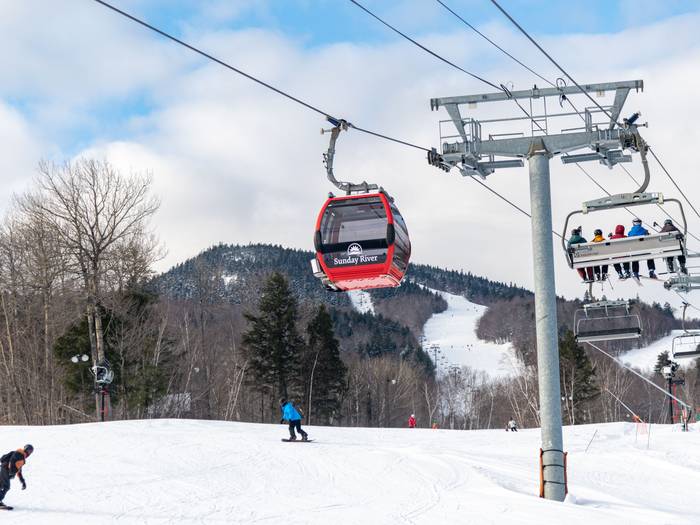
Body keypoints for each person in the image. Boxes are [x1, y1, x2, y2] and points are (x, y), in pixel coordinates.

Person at [0, 444, 33, 510]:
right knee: (6, 486)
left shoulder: (22, 458)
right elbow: (12, 460)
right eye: (29, 450)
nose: (29, 452)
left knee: (1, 485)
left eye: (31, 451)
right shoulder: (19, 453)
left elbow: (19, 471)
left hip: (5, 469)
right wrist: (11, 470)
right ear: (25, 449)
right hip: (5, 469)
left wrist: (23, 482)